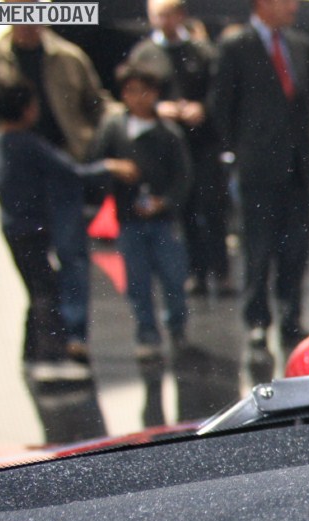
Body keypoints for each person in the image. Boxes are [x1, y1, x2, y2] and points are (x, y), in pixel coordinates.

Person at [0, 14, 109, 364]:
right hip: (20, 174)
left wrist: (99, 144)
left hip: (62, 165)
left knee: (71, 256)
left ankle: (73, 338)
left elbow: (97, 105)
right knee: (36, 267)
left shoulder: (68, 57)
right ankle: (45, 346)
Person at [0, 80, 135, 382]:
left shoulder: (0, 142)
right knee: (46, 292)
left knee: (38, 290)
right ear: (26, 109)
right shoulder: (26, 144)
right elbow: (70, 171)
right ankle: (50, 358)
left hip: (15, 226)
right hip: (30, 227)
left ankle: (32, 355)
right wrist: (109, 167)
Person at [210, 0, 309, 361]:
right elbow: (221, 106)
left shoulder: (301, 45)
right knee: (258, 247)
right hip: (257, 167)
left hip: (296, 166)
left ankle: (291, 317)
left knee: (296, 248)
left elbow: (306, 105)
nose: (294, 6)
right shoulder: (236, 46)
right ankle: (257, 320)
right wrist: (242, 152)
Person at [129, 0, 232, 298]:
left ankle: (221, 271)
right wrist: (157, 107)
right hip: (166, 145)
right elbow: (133, 92)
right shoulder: (144, 54)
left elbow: (220, 90)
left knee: (211, 206)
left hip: (202, 141)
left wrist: (202, 108)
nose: (163, 21)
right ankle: (194, 272)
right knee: (181, 209)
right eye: (157, 16)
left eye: (167, 15)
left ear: (180, 16)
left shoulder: (202, 51)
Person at [92, 63, 192, 364]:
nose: (138, 98)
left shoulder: (169, 133)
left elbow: (184, 176)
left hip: (163, 219)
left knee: (173, 278)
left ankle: (177, 327)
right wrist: (113, 168)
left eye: (144, 91)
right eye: (131, 92)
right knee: (137, 282)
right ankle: (147, 333)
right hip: (129, 218)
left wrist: (166, 202)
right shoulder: (114, 129)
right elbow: (95, 162)